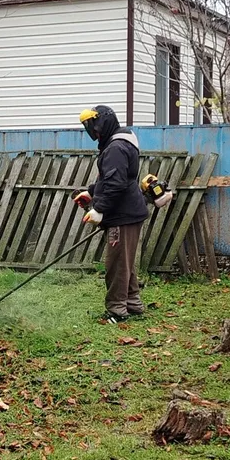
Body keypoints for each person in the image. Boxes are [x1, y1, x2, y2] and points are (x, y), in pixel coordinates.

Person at [74, 105, 149, 324]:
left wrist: (99, 209)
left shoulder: (116, 147)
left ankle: (116, 310)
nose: (93, 132)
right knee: (124, 262)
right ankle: (133, 304)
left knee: (116, 264)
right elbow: (109, 178)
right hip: (128, 212)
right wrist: (91, 192)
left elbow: (115, 184)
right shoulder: (119, 141)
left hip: (122, 214)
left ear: (103, 122)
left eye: (94, 126)